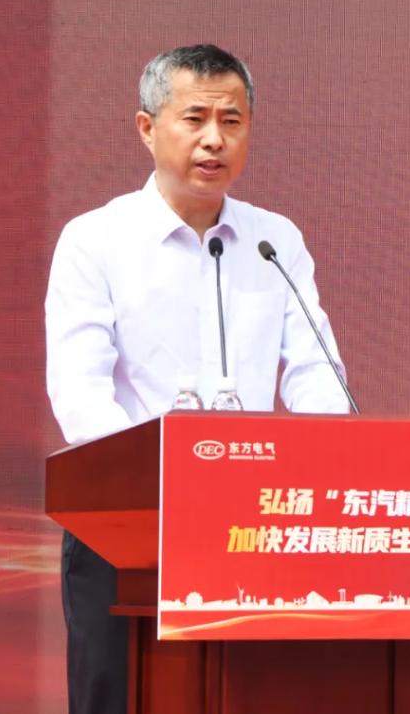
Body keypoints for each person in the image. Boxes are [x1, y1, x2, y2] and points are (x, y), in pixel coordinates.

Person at [45, 44, 350, 714]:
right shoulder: (95, 240)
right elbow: (81, 392)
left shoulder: (275, 241)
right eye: (195, 118)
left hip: (250, 526)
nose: (215, 139)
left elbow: (316, 373)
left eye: (232, 121)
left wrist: (330, 469)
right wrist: (154, 487)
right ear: (147, 128)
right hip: (126, 526)